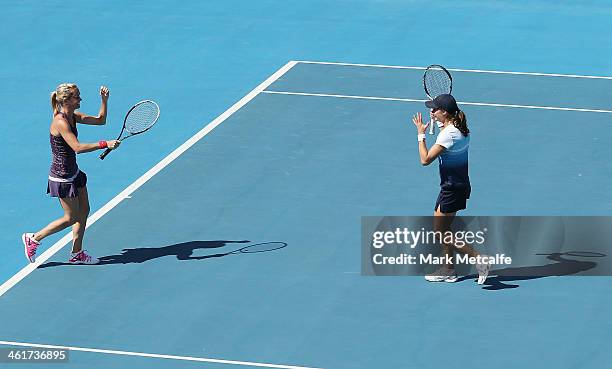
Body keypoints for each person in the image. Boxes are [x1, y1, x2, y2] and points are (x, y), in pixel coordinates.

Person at [21, 83, 120, 265]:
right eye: (77, 96)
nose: (80, 99)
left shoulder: (73, 116)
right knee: (71, 217)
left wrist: (104, 101)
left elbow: (100, 120)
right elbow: (77, 147)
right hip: (62, 177)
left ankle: (76, 253)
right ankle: (34, 238)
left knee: (84, 210)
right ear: (67, 100)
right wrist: (105, 143)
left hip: (73, 172)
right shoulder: (60, 122)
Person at [411, 94, 490, 285]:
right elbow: (448, 133)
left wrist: (421, 134)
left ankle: (479, 258)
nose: (431, 112)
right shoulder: (458, 128)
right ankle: (448, 270)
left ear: (445, 112)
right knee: (443, 229)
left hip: (452, 188)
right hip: (456, 185)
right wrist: (439, 123)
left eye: (435, 109)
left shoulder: (448, 134)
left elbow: (425, 159)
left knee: (441, 231)